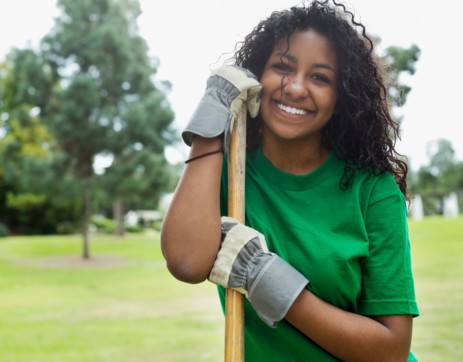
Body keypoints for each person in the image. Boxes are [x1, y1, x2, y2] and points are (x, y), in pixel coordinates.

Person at [161, 0, 419, 360]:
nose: (296, 88)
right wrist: (214, 113)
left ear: (341, 96)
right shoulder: (230, 177)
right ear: (256, 77)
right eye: (282, 67)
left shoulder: (372, 189)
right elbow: (187, 263)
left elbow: (391, 350)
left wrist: (266, 280)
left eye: (319, 77)